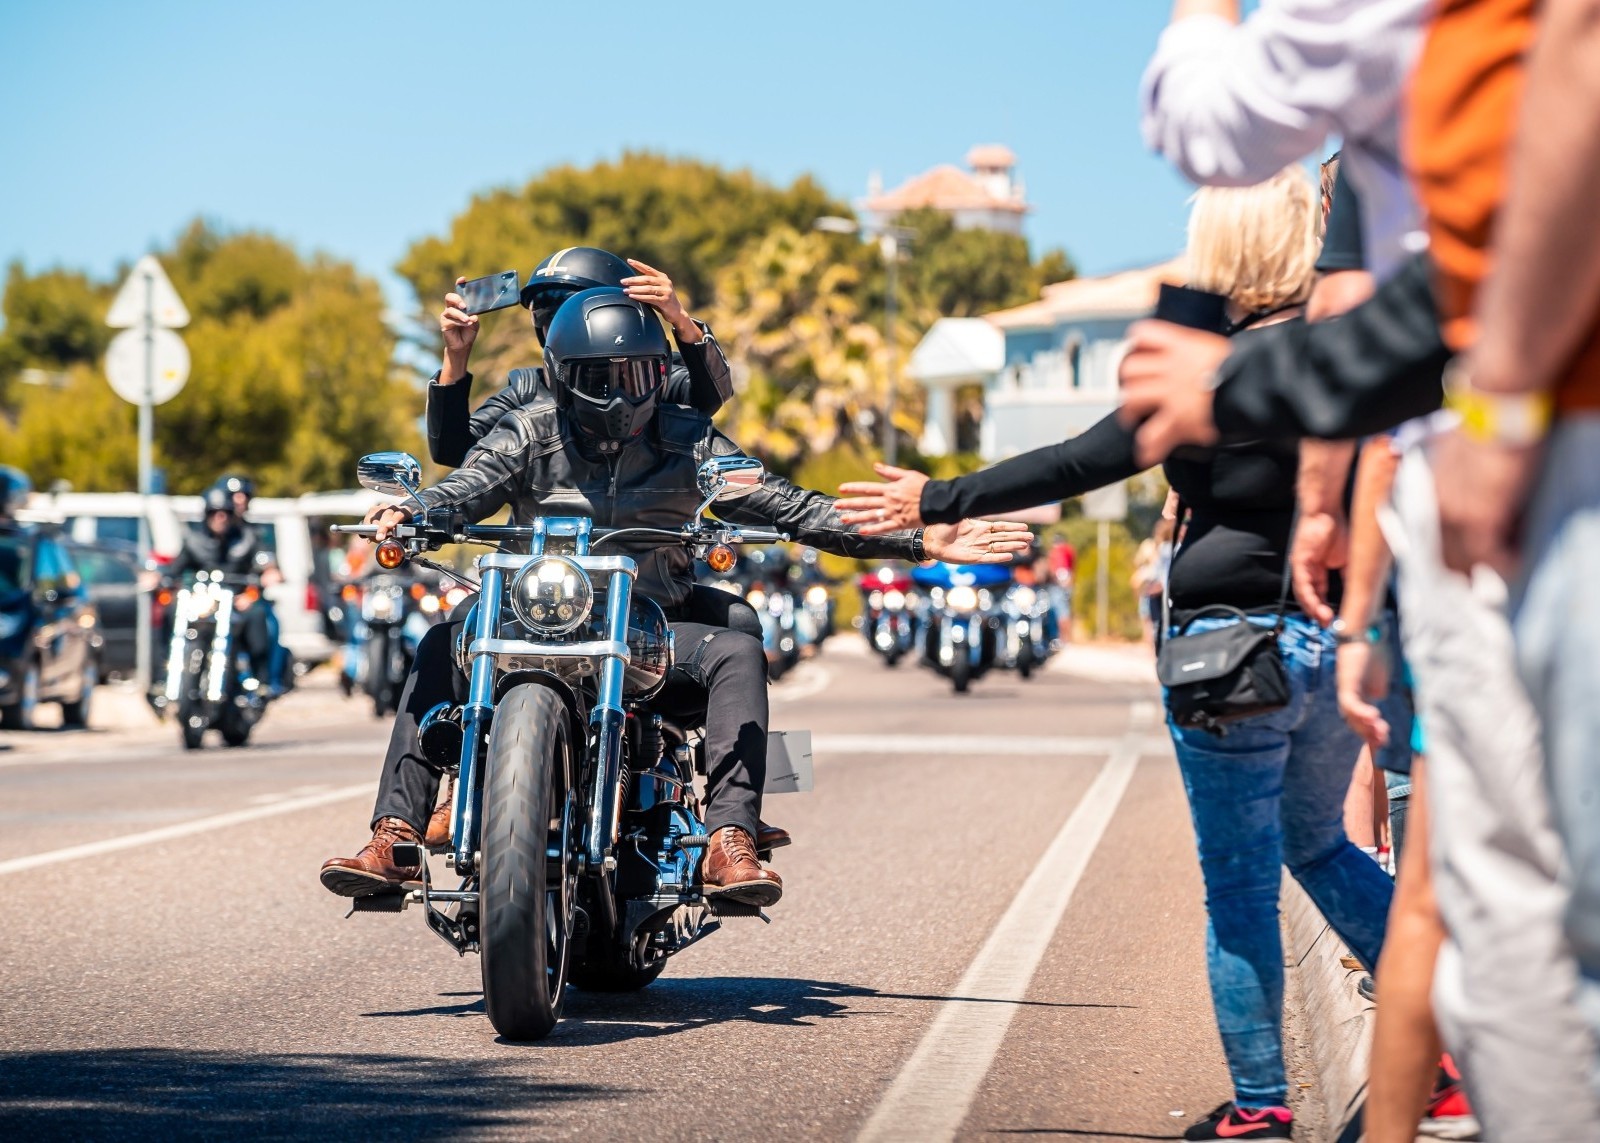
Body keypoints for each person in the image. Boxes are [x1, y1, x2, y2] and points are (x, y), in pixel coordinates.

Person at [840, 168, 1395, 1141]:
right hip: (1331, 634)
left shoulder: (1204, 367)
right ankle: (1446, 1043)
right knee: (1320, 847)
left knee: (1237, 887)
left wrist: (937, 497)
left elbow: (1078, 460)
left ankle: (1262, 1110)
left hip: (1226, 646)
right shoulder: (1346, 349)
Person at [320, 286, 1029, 905]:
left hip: (645, 633)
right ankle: (396, 834)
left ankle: (730, 835)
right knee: (442, 640)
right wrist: (413, 512)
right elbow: (465, 482)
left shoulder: (691, 440)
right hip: (533, 617)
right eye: (607, 376)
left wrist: (920, 538)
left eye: (643, 371)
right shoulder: (529, 429)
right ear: (567, 377)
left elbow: (795, 506)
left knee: (736, 650)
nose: (627, 390)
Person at [426, 247, 732, 468]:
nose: (556, 321)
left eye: (571, 306)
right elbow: (453, 451)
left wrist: (681, 320)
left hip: (647, 547)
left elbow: (708, 399)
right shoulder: (530, 388)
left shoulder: (652, 374)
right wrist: (456, 354)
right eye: (546, 311)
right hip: (543, 551)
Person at [155, 488, 278, 694]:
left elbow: (266, 565)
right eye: (215, 513)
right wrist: (162, 577)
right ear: (207, 515)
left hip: (237, 600)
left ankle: (259, 680)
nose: (220, 518)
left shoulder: (247, 539)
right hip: (205, 602)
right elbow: (175, 569)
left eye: (225, 513)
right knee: (169, 612)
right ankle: (163, 676)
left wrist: (268, 575)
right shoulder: (194, 541)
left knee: (257, 617)